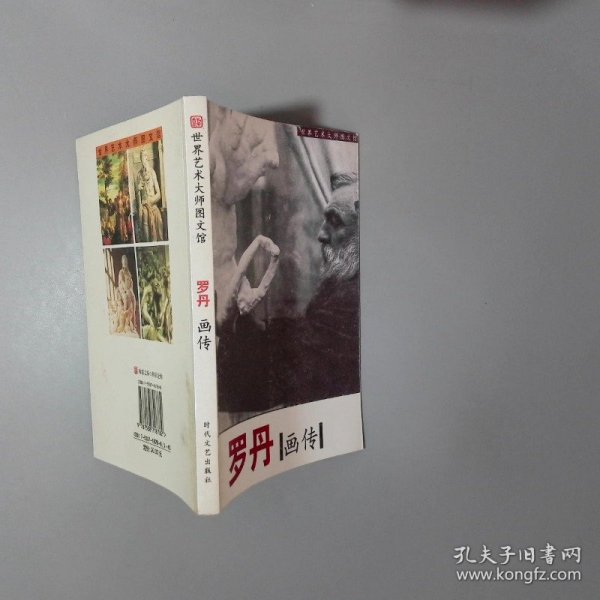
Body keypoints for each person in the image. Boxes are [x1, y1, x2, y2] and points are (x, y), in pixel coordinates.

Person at [217, 172, 360, 414]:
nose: (321, 235)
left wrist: (236, 320)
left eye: (335, 222)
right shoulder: (343, 288)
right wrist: (242, 319)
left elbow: (282, 370)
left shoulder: (348, 301)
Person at [208, 105, 281, 329]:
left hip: (221, 266)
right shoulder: (213, 162)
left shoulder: (228, 300)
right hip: (220, 267)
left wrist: (267, 248)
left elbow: (230, 193)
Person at [135, 148, 163, 242]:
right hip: (144, 205)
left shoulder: (152, 172)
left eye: (145, 156)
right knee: (144, 216)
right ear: (140, 159)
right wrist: (138, 190)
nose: (144, 159)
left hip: (153, 204)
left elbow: (159, 194)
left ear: (147, 158)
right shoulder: (139, 175)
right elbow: (138, 199)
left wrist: (151, 200)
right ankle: (148, 245)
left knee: (159, 220)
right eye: (142, 157)